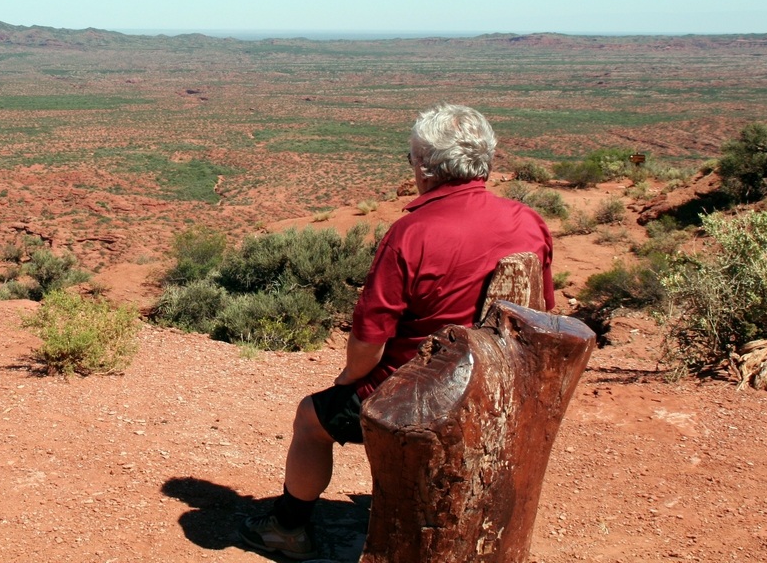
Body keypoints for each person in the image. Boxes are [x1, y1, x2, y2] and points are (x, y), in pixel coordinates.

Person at [238, 103, 555, 560]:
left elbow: (369, 341)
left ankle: (287, 529)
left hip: (421, 394)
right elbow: (543, 310)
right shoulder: (528, 221)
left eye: (410, 158)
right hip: (501, 385)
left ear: (425, 167)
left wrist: (348, 381)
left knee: (311, 418)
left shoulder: (413, 232)